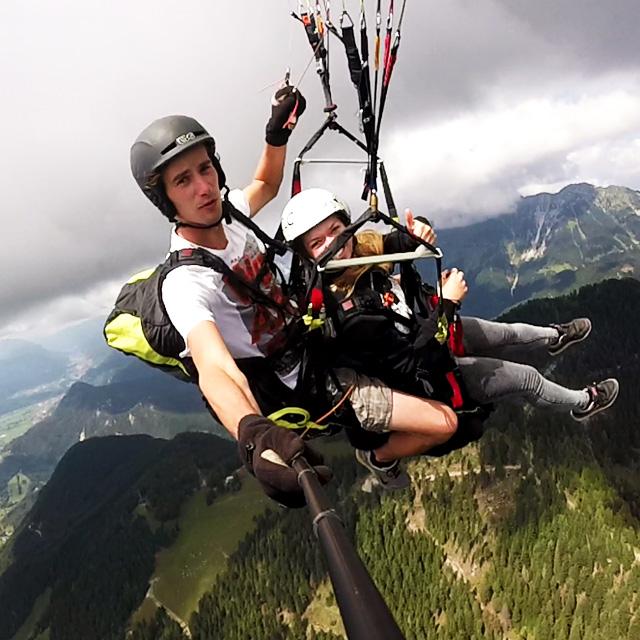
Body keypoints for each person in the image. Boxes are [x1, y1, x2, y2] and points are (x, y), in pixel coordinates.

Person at [129, 90, 456, 503]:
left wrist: (276, 134)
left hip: (315, 338)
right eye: (183, 180)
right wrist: (253, 432)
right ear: (164, 198)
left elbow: (265, 184)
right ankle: (379, 459)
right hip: (308, 385)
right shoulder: (185, 282)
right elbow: (214, 367)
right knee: (444, 422)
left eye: (205, 168)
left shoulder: (229, 215)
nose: (204, 187)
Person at [280, 188, 620, 477]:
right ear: (306, 255)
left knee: (506, 333)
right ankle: (584, 402)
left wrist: (420, 230)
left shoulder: (359, 250)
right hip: (427, 370)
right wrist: (447, 304)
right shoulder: (348, 315)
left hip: (422, 323)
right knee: (527, 379)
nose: (334, 244)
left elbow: (397, 241)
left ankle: (554, 337)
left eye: (336, 229)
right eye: (318, 242)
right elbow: (416, 363)